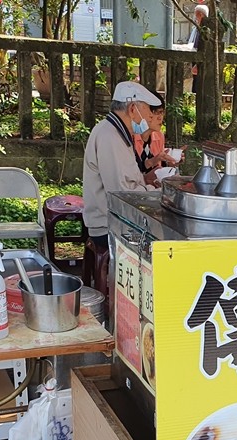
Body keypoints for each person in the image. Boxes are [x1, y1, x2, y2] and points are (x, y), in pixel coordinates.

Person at [82, 81, 162, 295]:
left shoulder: (116, 133)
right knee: (165, 246)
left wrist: (148, 181)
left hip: (113, 218)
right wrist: (160, 194)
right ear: (133, 108)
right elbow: (123, 194)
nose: (146, 119)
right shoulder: (110, 136)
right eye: (146, 111)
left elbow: (127, 182)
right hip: (107, 225)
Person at [132, 90, 181, 175]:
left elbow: (159, 171)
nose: (160, 117)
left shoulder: (159, 136)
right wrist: (155, 160)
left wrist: (170, 162)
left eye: (161, 112)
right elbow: (130, 173)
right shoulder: (130, 137)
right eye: (155, 112)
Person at [188, 4, 208, 94]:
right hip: (195, 56)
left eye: (197, 15)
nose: (196, 18)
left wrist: (197, 64)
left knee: (199, 82)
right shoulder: (197, 28)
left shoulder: (205, 30)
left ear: (201, 15)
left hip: (201, 59)